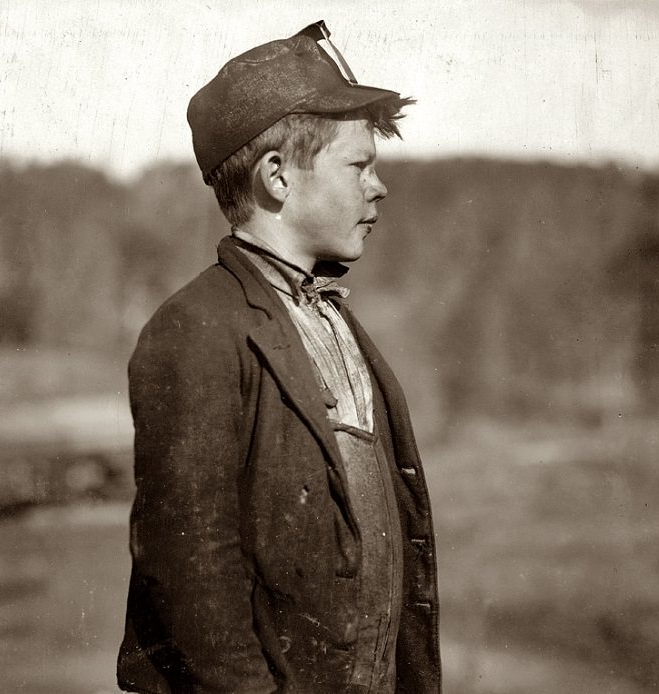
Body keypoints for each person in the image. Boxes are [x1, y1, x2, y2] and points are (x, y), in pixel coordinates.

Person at [117, 21, 440, 694]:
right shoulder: (196, 331)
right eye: (359, 165)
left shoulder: (332, 316)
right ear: (276, 178)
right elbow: (193, 574)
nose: (379, 188)